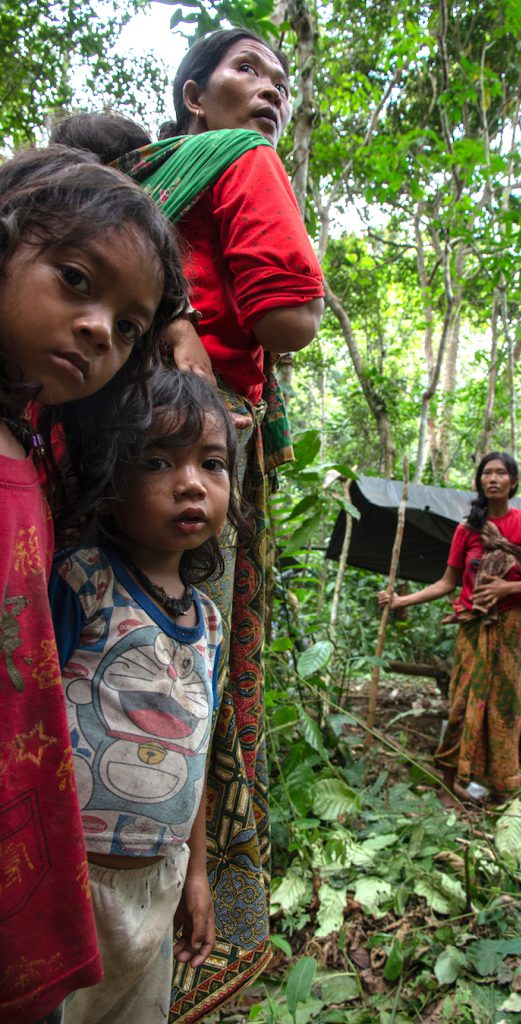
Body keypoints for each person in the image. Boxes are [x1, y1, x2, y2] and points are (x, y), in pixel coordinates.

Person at [51, 33, 325, 1017]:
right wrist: (209, 437)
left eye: (279, 81)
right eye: (247, 69)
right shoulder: (241, 161)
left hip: (92, 450)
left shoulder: (131, 185)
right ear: (192, 93)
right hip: (202, 411)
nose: (268, 90)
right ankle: (193, 912)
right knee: (180, 658)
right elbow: (288, 311)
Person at [0, 147, 187, 1024]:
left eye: (127, 326)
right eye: (76, 281)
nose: (98, 331)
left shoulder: (38, 449)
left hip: (77, 868)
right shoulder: (33, 475)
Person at [48, 368, 251, 1024]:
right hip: (68, 883)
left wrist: (194, 875)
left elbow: (192, 749)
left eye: (212, 463)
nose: (190, 482)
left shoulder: (208, 622)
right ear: (110, 486)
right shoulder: (82, 582)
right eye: (159, 460)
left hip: (158, 884)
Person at [379, 453, 521, 803]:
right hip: (472, 628)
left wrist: (508, 589)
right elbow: (446, 583)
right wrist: (399, 602)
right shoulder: (466, 530)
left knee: (505, 707)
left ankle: (503, 789)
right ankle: (449, 783)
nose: (494, 478)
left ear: (513, 482)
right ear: (479, 481)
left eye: (502, 473)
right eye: (487, 473)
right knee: (462, 703)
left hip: (514, 627)